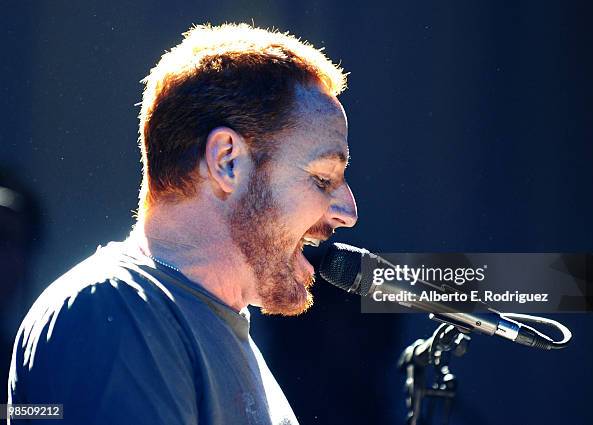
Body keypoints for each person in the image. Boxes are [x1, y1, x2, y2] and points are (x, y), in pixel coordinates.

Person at [7, 23, 357, 424]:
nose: (347, 212)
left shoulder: (215, 327)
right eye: (323, 178)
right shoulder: (113, 310)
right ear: (227, 161)